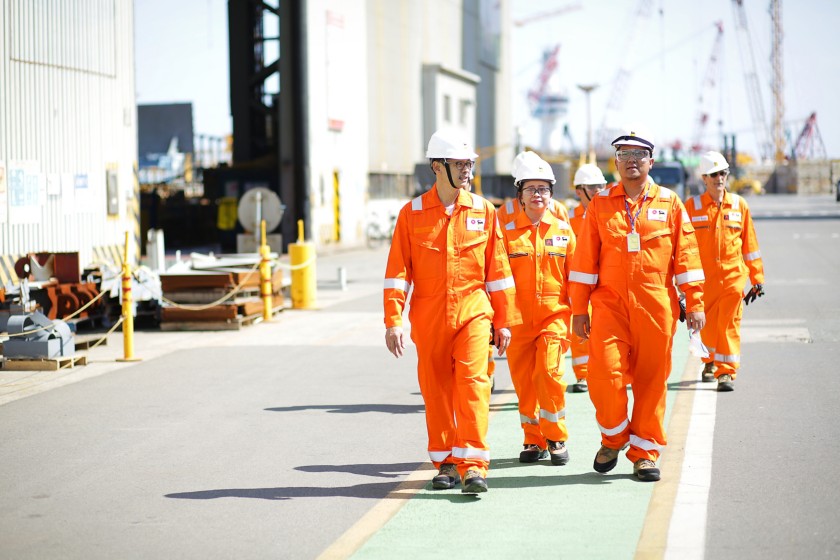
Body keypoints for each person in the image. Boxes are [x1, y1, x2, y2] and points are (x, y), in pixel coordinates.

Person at [383, 128, 521, 494]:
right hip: (428, 319)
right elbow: (398, 273)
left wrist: (504, 321)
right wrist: (393, 320)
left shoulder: (484, 211)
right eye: (459, 164)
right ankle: (445, 462)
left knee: (474, 385)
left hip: (474, 313)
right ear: (436, 166)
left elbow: (499, 272)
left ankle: (474, 465)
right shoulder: (411, 215)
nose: (467, 171)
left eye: (469, 164)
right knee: (436, 390)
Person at [569, 129, 706, 482]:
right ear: (615, 162)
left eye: (639, 155)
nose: (632, 161)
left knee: (651, 381)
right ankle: (613, 437)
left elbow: (687, 256)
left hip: (655, 306)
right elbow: (584, 262)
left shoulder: (670, 203)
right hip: (609, 307)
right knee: (604, 375)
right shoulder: (600, 205)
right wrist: (579, 310)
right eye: (624, 155)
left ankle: (644, 452)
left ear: (651, 161)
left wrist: (695, 303)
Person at [500, 151, 576, 465]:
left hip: (554, 317)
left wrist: (585, 314)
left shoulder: (562, 230)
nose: (537, 195)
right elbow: (497, 278)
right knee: (525, 384)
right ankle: (534, 440)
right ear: (520, 195)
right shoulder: (506, 232)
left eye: (543, 189)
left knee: (550, 373)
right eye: (531, 189)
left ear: (551, 195)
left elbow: (577, 276)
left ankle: (555, 437)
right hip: (517, 320)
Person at [685, 151, 765, 392]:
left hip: (733, 277)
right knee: (705, 326)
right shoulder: (692, 206)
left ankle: (726, 373)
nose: (719, 178)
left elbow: (750, 245)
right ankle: (709, 361)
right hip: (703, 280)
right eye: (713, 174)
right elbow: (683, 246)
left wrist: (757, 278)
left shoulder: (740, 205)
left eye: (722, 173)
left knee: (729, 324)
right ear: (704, 178)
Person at [567, 164, 609, 393]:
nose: (598, 190)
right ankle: (583, 374)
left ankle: (602, 371)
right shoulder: (568, 218)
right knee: (581, 329)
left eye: (601, 186)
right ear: (579, 191)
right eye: (592, 187)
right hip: (579, 282)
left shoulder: (609, 213)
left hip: (605, 281)